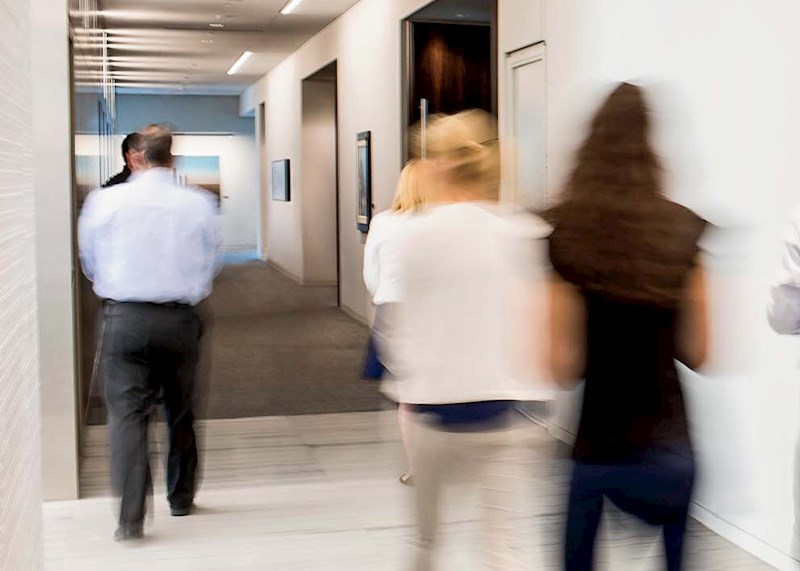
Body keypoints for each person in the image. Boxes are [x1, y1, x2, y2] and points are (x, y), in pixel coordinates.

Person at [545, 83, 709, 571]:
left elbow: (559, 366)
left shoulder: (566, 234)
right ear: (651, 145)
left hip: (596, 444)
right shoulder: (684, 229)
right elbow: (702, 351)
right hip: (670, 441)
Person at [382, 110, 552, 571]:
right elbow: (538, 327)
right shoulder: (523, 231)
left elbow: (399, 331)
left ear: (436, 164)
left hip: (435, 410)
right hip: (508, 411)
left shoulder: (413, 235)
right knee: (503, 550)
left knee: (427, 545)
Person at [78, 124, 221, 542]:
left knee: (127, 417)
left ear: (135, 157)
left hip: (124, 318)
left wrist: (118, 290)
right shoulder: (198, 204)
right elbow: (212, 259)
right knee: (180, 410)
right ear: (171, 158)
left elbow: (90, 262)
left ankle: (130, 518)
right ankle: (180, 498)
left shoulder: (105, 202)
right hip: (180, 318)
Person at [362, 160, 431, 486]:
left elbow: (371, 275)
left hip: (394, 311)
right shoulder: (443, 223)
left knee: (408, 397)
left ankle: (417, 466)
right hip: (436, 311)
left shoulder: (383, 222)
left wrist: (386, 294)